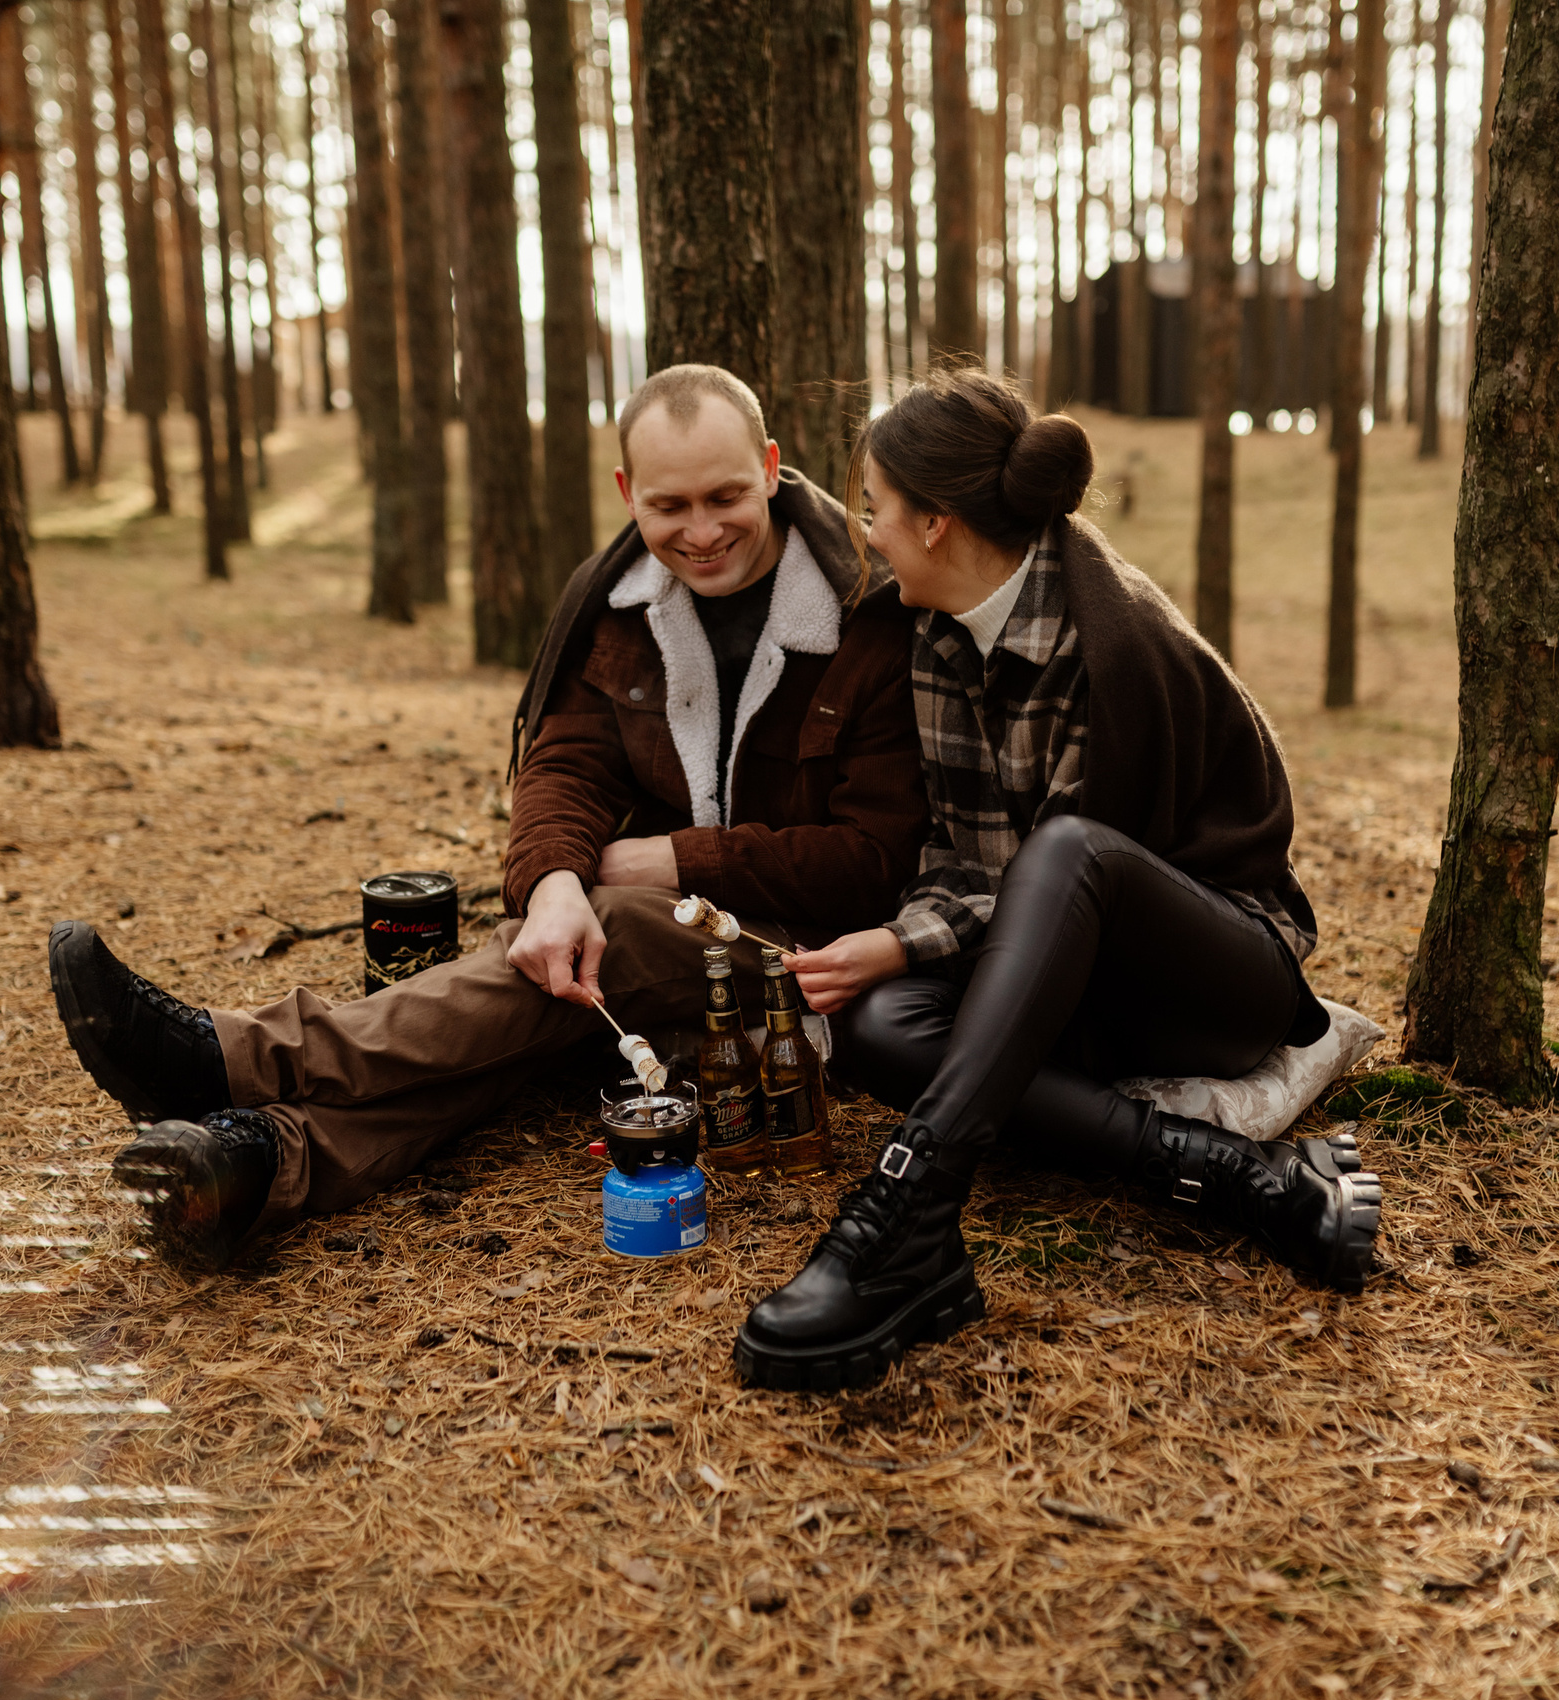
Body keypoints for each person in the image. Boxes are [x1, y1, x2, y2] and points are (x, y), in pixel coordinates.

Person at [46, 364, 929, 1269]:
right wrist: (551, 885)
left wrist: (667, 859)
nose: (701, 533)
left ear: (773, 467)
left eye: (726, 496)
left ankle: (230, 1057)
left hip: (810, 963)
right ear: (628, 494)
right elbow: (565, 764)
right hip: (670, 964)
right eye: (670, 507)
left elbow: (876, 858)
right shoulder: (619, 604)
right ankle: (256, 1161)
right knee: (536, 989)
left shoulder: (869, 608)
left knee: (609, 930)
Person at [732, 368, 1383, 1394]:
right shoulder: (939, 635)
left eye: (878, 511)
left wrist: (906, 938)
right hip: (1066, 972)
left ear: (937, 521)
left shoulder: (1113, 648)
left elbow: (1073, 873)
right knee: (874, 1025)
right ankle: (1222, 1169)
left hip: (1211, 972)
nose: (868, 534)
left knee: (1071, 847)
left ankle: (904, 1214)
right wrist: (895, 948)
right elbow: (964, 853)